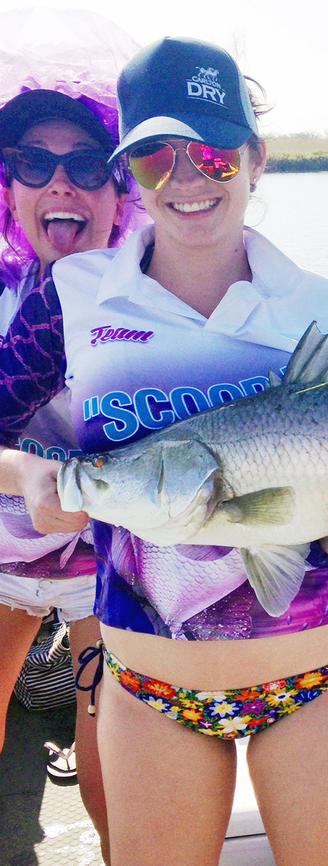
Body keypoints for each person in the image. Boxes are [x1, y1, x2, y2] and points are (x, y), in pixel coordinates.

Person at [0, 37, 328, 866]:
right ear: (129, 175)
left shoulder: (320, 305)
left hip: (317, 682)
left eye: (212, 154)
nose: (186, 180)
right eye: (155, 160)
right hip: (148, 689)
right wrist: (27, 471)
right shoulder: (70, 296)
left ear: (256, 158)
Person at [0, 81, 141, 862]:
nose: (60, 183)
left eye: (88, 165)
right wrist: (26, 475)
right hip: (2, 552)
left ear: (120, 192)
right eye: (31, 162)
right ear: (9, 186)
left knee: (113, 750)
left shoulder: (157, 307)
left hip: (110, 564)